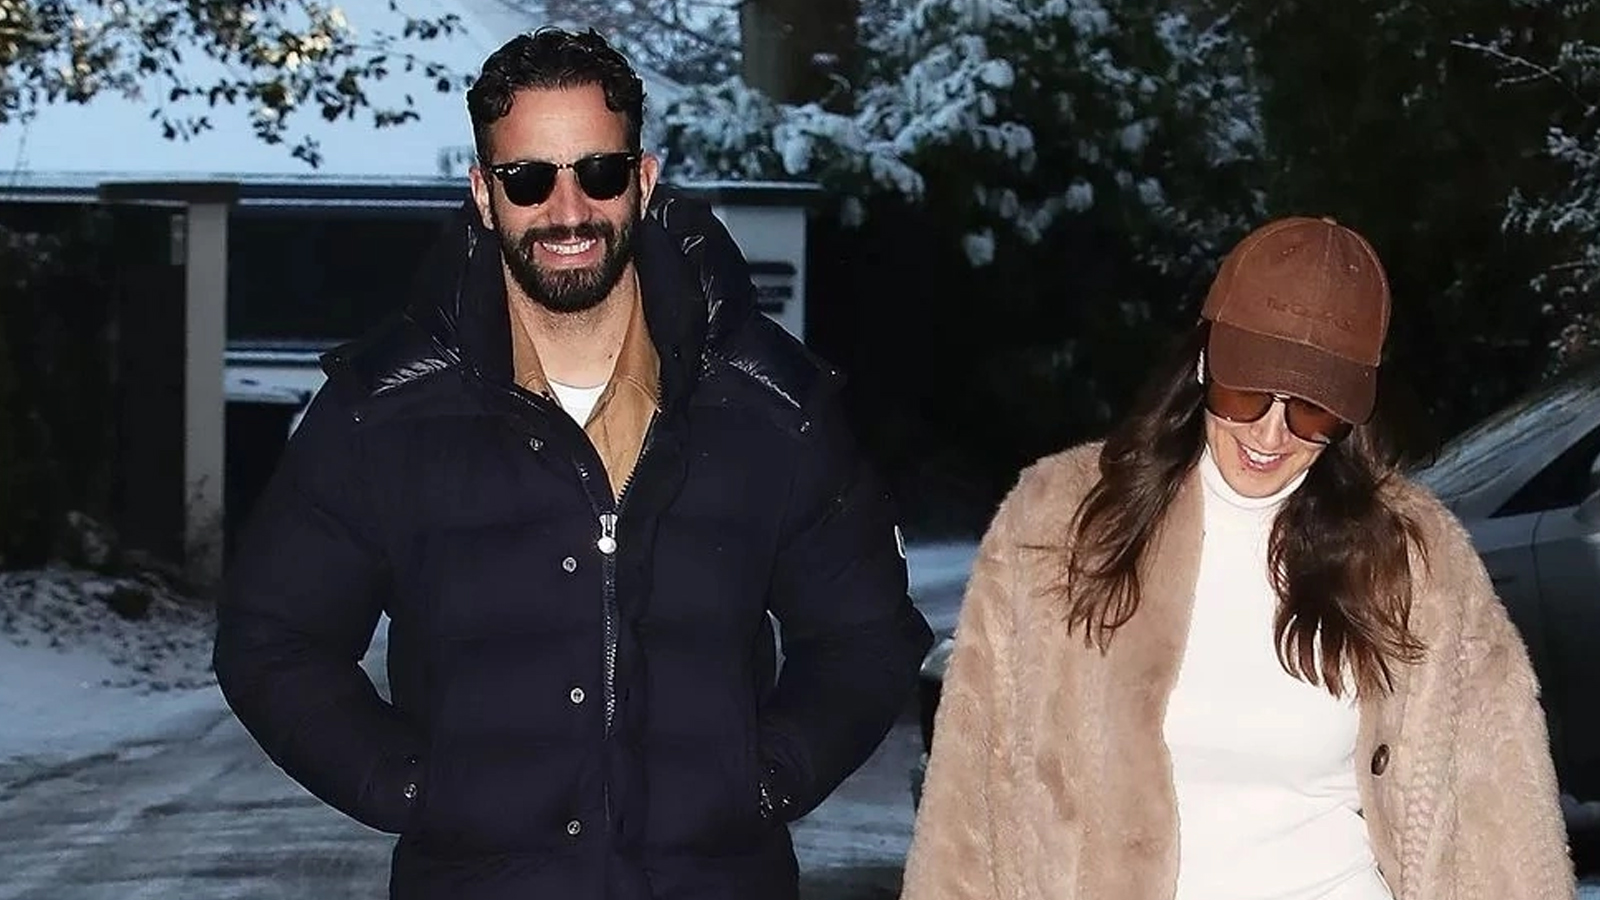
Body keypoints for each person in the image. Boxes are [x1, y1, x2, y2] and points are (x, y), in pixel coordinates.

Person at [213, 27, 932, 900]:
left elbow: (867, 635)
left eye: (599, 172)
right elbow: (271, 640)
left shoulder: (767, 403)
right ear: (484, 194)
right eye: (527, 178)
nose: (567, 210)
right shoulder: (386, 411)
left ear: (644, 180)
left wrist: (764, 775)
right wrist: (411, 787)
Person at [901, 216, 1576, 899]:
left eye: (1313, 410)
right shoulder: (1058, 523)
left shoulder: (1412, 559)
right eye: (1247, 393)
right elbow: (969, 797)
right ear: (1203, 364)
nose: (1272, 434)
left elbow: (1499, 818)